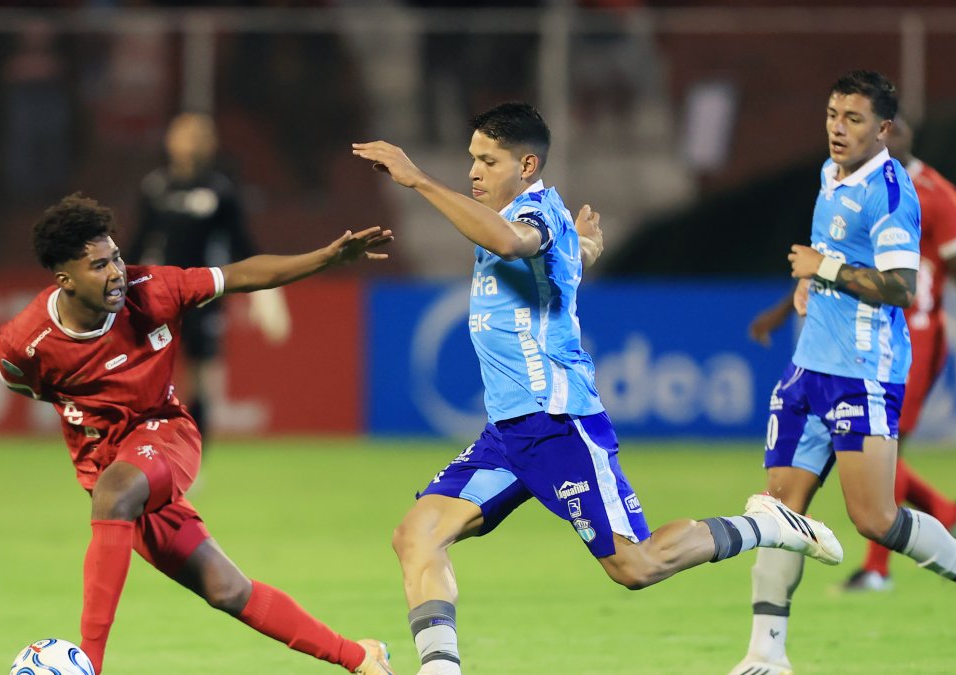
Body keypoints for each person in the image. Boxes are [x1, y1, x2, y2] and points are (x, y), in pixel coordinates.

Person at [353, 101, 844, 675]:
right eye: (471, 160)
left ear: (528, 165)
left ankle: (766, 524)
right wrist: (581, 254)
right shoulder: (519, 216)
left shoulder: (534, 215)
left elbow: (517, 243)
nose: (474, 172)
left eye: (488, 160)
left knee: (634, 566)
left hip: (558, 423)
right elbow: (546, 265)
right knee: (417, 533)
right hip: (507, 433)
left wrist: (417, 180)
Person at [0, 194, 393, 674]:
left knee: (114, 495)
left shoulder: (153, 288)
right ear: (65, 280)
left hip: (166, 435)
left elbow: (243, 275)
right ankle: (359, 657)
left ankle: (88, 664)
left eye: (116, 257)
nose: (117, 271)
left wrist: (325, 258)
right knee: (227, 589)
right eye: (99, 266)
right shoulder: (26, 343)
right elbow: (24, 383)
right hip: (108, 465)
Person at [729, 71, 956, 675]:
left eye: (854, 118)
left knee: (875, 518)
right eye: (833, 114)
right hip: (808, 368)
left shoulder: (892, 194)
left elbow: (901, 286)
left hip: (863, 374)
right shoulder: (827, 172)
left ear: (884, 129)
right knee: (778, 511)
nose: (839, 127)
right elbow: (824, 252)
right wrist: (809, 279)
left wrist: (827, 269)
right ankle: (766, 655)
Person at [748, 112, 956, 593]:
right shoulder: (844, 182)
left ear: (894, 133)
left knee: (880, 459)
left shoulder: (936, 196)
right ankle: (946, 514)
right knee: (870, 456)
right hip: (849, 337)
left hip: (911, 339)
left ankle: (880, 567)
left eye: (889, 128)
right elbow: (826, 258)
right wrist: (785, 308)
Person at [130, 112, 291, 437]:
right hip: (158, 298)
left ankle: (193, 458)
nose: (193, 141)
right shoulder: (155, 188)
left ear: (212, 144)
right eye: (185, 134)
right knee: (144, 377)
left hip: (204, 299)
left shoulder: (220, 192)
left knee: (203, 381)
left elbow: (243, 247)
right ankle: (143, 451)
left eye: (201, 135)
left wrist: (269, 296)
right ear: (170, 140)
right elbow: (136, 245)